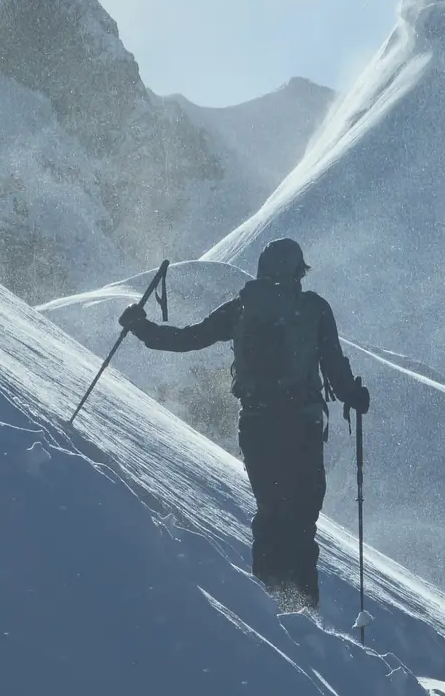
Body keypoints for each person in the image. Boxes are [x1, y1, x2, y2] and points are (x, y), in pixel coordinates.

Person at [119, 237, 369, 611]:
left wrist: (141, 326)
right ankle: (303, 608)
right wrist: (355, 395)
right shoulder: (314, 309)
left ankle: (270, 604)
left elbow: (188, 338)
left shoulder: (241, 308)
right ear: (298, 271)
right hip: (301, 428)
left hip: (257, 426)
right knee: (301, 520)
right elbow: (335, 369)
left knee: (270, 512)